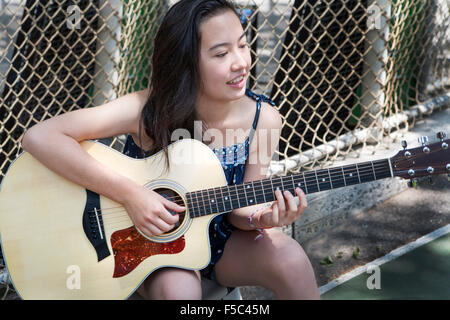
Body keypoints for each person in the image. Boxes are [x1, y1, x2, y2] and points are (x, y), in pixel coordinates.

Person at [22, 0, 319, 299]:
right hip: (146, 244)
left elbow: (241, 208)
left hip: (220, 244)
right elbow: (40, 136)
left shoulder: (263, 118)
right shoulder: (148, 110)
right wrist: (132, 195)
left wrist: (262, 218)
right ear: (186, 62)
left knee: (290, 259)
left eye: (242, 45)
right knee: (179, 291)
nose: (241, 62)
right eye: (221, 53)